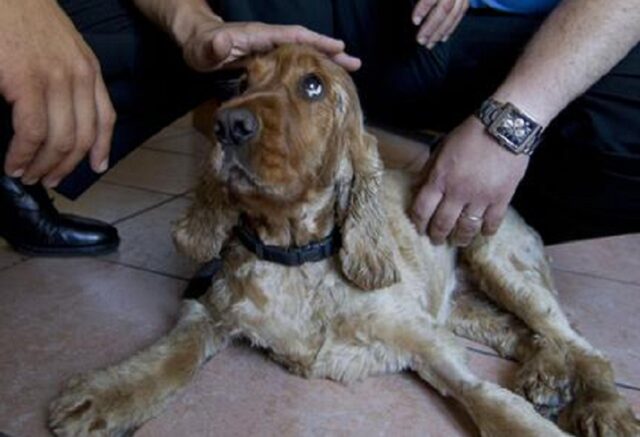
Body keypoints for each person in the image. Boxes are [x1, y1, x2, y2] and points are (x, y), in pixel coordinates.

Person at [1, 0, 638, 258]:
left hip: (556, 33)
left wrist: (512, 123)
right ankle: (14, 164)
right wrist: (194, 24)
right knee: (97, 13)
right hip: (374, 14)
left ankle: (455, 235)